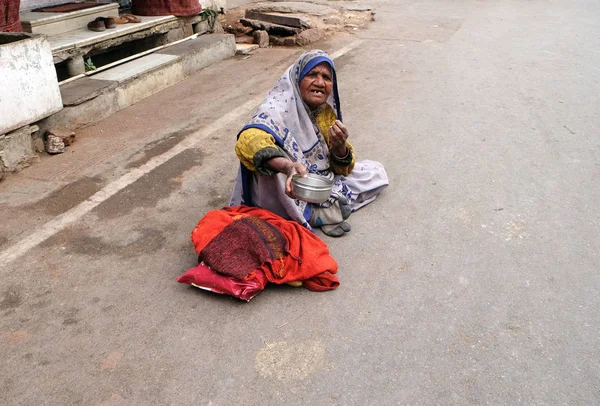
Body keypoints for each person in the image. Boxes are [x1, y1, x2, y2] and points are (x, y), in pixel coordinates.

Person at [230, 50, 388, 237]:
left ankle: (323, 207)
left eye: (326, 78)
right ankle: (315, 213)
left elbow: (342, 168)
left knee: (375, 172)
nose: (320, 83)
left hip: (315, 181)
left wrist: (340, 149)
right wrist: (288, 166)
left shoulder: (325, 112)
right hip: (288, 184)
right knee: (272, 164)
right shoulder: (276, 108)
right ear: (297, 79)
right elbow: (248, 139)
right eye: (312, 75)